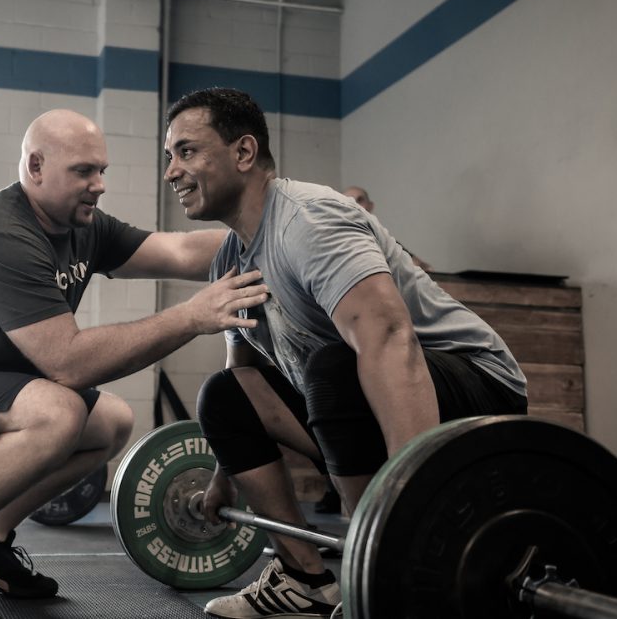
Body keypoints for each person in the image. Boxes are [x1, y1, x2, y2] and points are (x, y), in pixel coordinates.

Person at [0, 109, 269, 619]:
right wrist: (191, 317)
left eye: (102, 171)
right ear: (35, 167)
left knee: (109, 422)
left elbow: (180, 250)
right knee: (59, 410)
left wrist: (271, 234)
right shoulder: (2, 234)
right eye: (83, 172)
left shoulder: (81, 226)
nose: (98, 185)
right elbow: (68, 364)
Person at [162, 88, 528, 619]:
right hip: (367, 397)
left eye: (187, 151)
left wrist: (400, 521)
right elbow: (245, 377)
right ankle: (302, 577)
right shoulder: (230, 262)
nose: (172, 171)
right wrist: (225, 478)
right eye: (168, 157)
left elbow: (389, 342)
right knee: (223, 395)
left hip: (476, 390)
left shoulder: (308, 222)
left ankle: (373, 571)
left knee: (332, 367)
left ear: (243, 153)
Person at [342, 185, 433, 271]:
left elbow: (422, 267)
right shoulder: (338, 243)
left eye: (360, 200)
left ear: (370, 206)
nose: (355, 205)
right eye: (349, 201)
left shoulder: (383, 239)